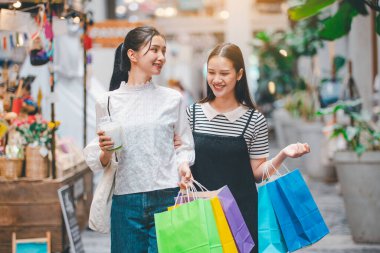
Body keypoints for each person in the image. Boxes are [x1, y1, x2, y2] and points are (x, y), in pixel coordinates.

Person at [186, 43, 310, 253]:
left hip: (241, 217)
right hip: (200, 215)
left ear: (240, 74)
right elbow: (183, 159)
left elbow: (258, 174)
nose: (217, 80)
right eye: (212, 72)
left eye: (224, 73)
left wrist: (282, 155)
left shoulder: (254, 120)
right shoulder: (193, 115)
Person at [83, 26, 195, 253]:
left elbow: (183, 144)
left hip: (167, 197)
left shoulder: (173, 99)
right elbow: (98, 160)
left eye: (164, 50)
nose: (161, 57)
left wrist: (183, 165)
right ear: (131, 55)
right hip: (126, 201)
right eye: (154, 50)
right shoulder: (107, 101)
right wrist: (105, 151)